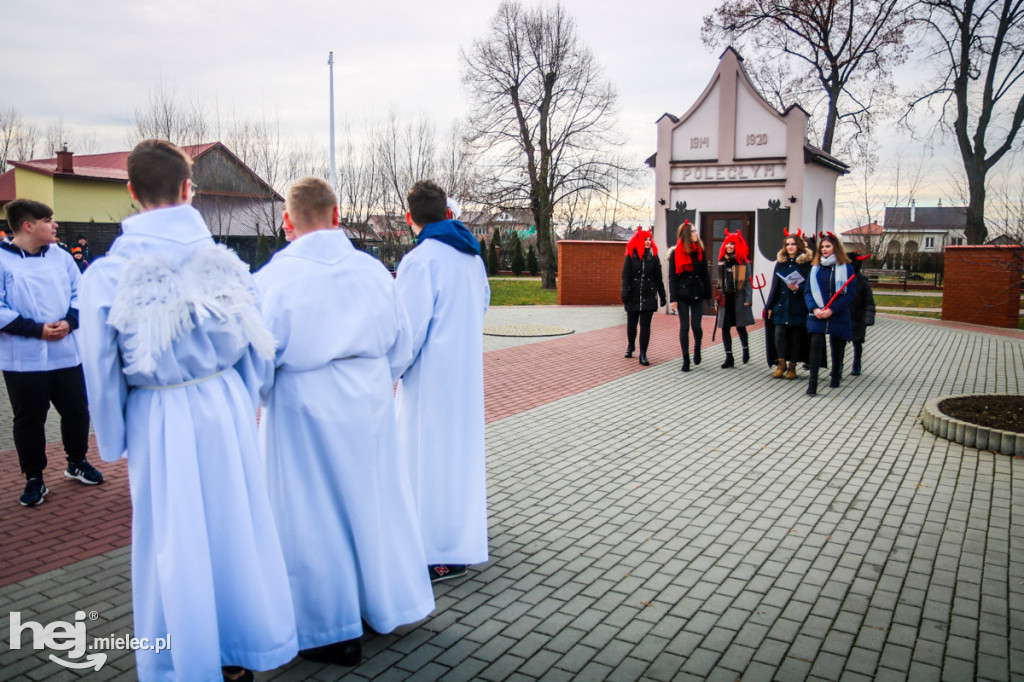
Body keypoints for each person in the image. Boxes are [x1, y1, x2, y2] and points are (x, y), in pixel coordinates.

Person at [79, 139, 297, 681]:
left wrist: (114, 436)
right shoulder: (227, 264)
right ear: (187, 189)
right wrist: (243, 400)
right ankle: (238, 650)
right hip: (223, 402)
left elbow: (99, 368)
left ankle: (185, 660)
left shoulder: (107, 276)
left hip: (159, 413)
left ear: (130, 192)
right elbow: (256, 345)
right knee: (235, 527)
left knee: (173, 539)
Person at [255, 176, 435, 665]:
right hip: (369, 399)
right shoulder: (373, 271)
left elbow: (258, 360)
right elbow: (401, 342)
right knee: (374, 502)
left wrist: (272, 395)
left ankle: (329, 628)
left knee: (312, 516)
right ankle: (386, 602)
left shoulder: (272, 278)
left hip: (302, 406)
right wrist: (376, 381)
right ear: (337, 216)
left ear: (287, 223)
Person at [393, 179, 490, 583]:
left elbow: (407, 331)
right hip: (465, 373)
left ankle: (436, 551)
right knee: (458, 461)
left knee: (427, 462)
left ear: (408, 216)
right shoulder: (471, 257)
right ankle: (462, 540)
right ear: (446, 212)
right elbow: (482, 304)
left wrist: (387, 371)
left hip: (431, 381)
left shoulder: (420, 261)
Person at [0, 199, 102, 507]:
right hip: (23, 357)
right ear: (28, 226)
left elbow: (81, 292)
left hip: (66, 353)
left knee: (76, 410)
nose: (55, 225)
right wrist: (36, 330)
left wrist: (71, 322)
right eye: (48, 220)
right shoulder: (3, 261)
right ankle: (34, 478)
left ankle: (76, 461)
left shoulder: (61, 257)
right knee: (29, 419)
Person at [803, 232, 856, 396]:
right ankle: (813, 383)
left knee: (837, 347)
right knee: (816, 345)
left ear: (835, 248)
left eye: (828, 246)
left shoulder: (846, 268)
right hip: (817, 314)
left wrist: (832, 309)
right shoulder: (815, 268)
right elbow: (808, 292)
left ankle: (836, 374)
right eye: (822, 247)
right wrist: (815, 309)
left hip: (837, 313)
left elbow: (849, 294)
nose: (824, 249)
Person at [764, 229, 812, 379]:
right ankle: (781, 363)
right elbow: (775, 286)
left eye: (793, 244)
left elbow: (810, 286)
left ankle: (792, 367)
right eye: (787, 244)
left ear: (798, 245)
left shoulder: (806, 264)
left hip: (798, 306)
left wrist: (799, 288)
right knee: (779, 333)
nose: (790, 247)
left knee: (796, 337)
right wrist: (769, 306)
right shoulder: (780, 263)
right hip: (781, 305)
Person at [668, 220, 711, 372]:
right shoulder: (675, 253)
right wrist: (672, 299)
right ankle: (686, 359)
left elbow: (705, 274)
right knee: (684, 327)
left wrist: (708, 296)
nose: (696, 233)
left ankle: (697, 347)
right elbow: (672, 277)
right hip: (682, 294)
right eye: (693, 231)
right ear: (686, 234)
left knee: (696, 326)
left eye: (696, 231)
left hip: (697, 293)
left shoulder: (700, 251)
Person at [620, 226, 666, 366]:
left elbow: (658, 277)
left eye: (649, 239)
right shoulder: (631, 256)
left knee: (645, 326)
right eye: (645, 239)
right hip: (633, 294)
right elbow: (625, 276)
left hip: (648, 295)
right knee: (632, 324)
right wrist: (625, 292)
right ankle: (630, 345)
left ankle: (643, 353)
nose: (648, 242)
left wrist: (662, 295)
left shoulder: (653, 256)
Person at [715, 230, 754, 368]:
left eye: (732, 244)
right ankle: (729, 357)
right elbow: (719, 282)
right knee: (725, 328)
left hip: (739, 297)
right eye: (727, 244)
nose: (729, 246)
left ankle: (745, 349)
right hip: (726, 298)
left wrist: (749, 299)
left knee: (740, 327)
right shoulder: (722, 261)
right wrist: (717, 301)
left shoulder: (743, 262)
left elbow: (748, 282)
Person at [847, 251, 876, 376]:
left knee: (857, 342)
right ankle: (839, 366)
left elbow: (869, 301)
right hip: (844, 315)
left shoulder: (863, 281)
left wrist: (868, 317)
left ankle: (857, 364)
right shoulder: (841, 277)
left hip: (858, 317)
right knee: (839, 343)